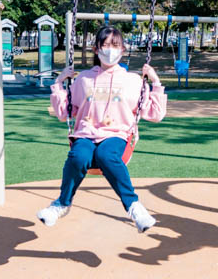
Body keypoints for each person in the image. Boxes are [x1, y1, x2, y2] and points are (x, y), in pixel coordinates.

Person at [40, 25, 167, 232]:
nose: (110, 49)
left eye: (115, 45)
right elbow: (64, 113)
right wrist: (58, 83)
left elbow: (156, 114)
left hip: (117, 134)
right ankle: (62, 204)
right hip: (86, 133)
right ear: (96, 49)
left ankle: (134, 207)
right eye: (105, 45)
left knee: (107, 155)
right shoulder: (83, 79)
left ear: (123, 49)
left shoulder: (133, 81)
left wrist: (155, 82)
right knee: (78, 157)